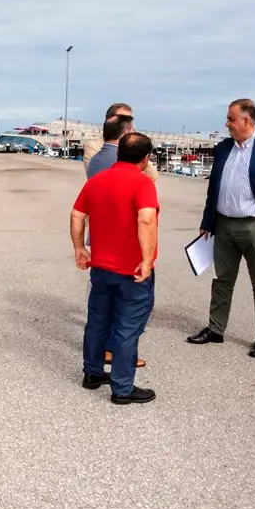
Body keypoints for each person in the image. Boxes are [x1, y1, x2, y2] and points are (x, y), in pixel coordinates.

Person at [187, 98, 255, 358]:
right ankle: (215, 329)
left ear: (247, 121)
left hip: (254, 226)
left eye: (231, 119)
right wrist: (207, 221)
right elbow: (214, 188)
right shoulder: (224, 148)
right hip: (223, 225)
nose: (227, 124)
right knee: (222, 280)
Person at [71, 132, 159, 405]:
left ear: (119, 152)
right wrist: (146, 260)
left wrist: (79, 248)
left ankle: (93, 373)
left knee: (98, 321)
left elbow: (77, 215)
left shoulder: (97, 181)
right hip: (131, 271)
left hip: (101, 267)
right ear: (145, 159)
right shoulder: (143, 184)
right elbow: (146, 220)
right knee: (127, 327)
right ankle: (122, 387)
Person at [84, 105, 148, 369]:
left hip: (100, 235)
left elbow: (77, 213)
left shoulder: (96, 156)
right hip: (123, 240)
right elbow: (149, 183)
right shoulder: (120, 163)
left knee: (99, 308)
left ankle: (93, 369)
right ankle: (121, 371)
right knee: (129, 308)